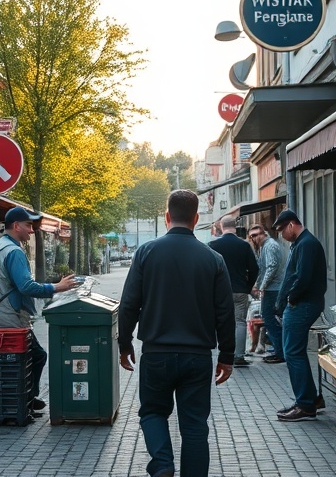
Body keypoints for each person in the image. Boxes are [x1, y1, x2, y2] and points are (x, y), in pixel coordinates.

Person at [118, 190, 235, 477]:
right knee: (195, 425)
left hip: (157, 354)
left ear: (167, 217)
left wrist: (124, 344)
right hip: (197, 357)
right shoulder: (214, 259)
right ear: (196, 219)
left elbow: (129, 304)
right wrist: (227, 356)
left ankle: (162, 464)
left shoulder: (146, 253)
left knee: (153, 413)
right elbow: (225, 312)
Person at [0, 206, 78, 415]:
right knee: (36, 356)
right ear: (16, 226)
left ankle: (20, 401)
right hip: (10, 317)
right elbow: (26, 286)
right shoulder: (14, 252)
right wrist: (56, 287)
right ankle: (26, 400)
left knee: (16, 361)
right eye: (28, 225)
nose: (32, 230)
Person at [272, 209, 327, 422]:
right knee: (296, 352)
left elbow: (302, 278)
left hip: (302, 304)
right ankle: (310, 399)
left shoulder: (306, 244)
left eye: (281, 230)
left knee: (292, 352)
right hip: (302, 303)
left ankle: (305, 404)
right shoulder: (303, 243)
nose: (281, 236)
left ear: (292, 225)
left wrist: (290, 298)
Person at [209, 214, 259, 367]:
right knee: (240, 322)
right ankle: (238, 356)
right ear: (235, 227)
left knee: (220, 321)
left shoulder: (213, 245)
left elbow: (207, 269)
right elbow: (254, 268)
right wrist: (248, 285)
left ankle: (222, 353)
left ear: (221, 227)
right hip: (239, 290)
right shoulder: (244, 245)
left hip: (219, 291)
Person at [250, 223, 285, 364]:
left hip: (273, 289)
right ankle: (279, 350)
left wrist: (262, 286)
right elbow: (264, 268)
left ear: (264, 233)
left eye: (257, 234)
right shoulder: (266, 246)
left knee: (270, 319)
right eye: (252, 236)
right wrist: (259, 284)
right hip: (272, 288)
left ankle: (280, 352)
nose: (255, 238)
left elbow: (271, 267)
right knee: (270, 320)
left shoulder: (269, 246)